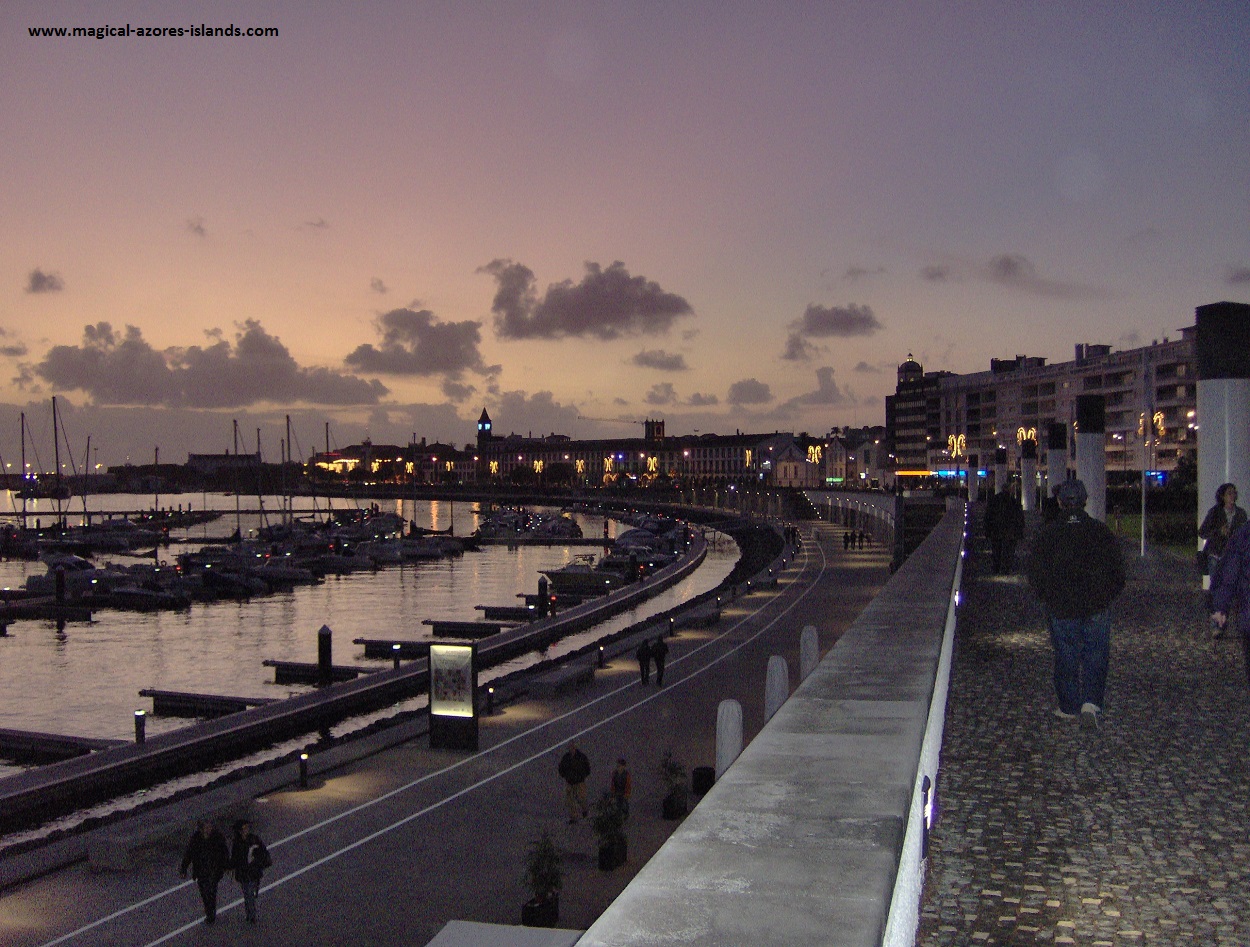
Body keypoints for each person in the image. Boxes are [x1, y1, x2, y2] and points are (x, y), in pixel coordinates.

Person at [1026, 479, 1126, 730]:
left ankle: (1069, 705)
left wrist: (1046, 596)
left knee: (1066, 654)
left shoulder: (1048, 534)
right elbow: (1118, 571)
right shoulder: (1100, 531)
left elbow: (1035, 572)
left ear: (1060, 503)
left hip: (1061, 605)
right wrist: (1107, 595)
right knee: (1096, 653)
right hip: (1096, 604)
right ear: (1085, 501)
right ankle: (1091, 702)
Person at [1200, 483, 1247, 626]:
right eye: (1229, 493)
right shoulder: (1215, 512)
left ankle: (1233, 620)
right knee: (1217, 590)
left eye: (1234, 493)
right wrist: (1218, 532)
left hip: (1233, 558)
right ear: (1222, 496)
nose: (1232, 496)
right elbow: (1202, 532)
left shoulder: (1240, 514)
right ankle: (1217, 624)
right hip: (1216, 555)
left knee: (1234, 590)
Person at [1211, 521, 1250, 684]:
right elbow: (1229, 575)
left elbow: (1229, 575)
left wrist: (1221, 607)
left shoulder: (1243, 535)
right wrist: (1221, 607)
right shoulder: (1244, 535)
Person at [180, 820, 230, 925]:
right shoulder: (196, 839)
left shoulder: (217, 838)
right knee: (204, 894)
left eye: (210, 827)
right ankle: (209, 911)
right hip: (201, 871)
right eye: (206, 827)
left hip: (214, 871)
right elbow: (189, 853)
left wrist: (226, 865)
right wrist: (184, 868)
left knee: (211, 892)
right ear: (201, 829)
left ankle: (211, 915)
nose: (209, 829)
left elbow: (224, 852)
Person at [231, 819, 270, 924]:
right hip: (243, 872)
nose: (246, 830)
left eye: (247, 827)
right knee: (247, 893)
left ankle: (251, 914)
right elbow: (234, 857)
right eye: (244, 828)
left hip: (253, 871)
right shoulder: (237, 842)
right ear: (240, 831)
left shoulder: (254, 839)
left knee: (250, 892)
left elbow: (263, 851)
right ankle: (250, 914)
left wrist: (260, 862)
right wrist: (231, 866)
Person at [985, 485, 1026, 574]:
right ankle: (1006, 569)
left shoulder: (994, 501)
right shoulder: (1014, 502)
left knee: (996, 550)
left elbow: (988, 516)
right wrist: (1019, 531)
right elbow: (1019, 518)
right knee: (1008, 551)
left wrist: (987, 530)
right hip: (1009, 531)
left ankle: (996, 568)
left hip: (996, 530)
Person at [558, 742, 591, 824]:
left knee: (581, 798)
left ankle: (585, 810)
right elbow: (561, 767)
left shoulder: (581, 757)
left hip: (579, 782)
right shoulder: (566, 757)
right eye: (570, 748)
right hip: (570, 782)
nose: (571, 749)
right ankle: (574, 817)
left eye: (572, 747)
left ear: (575, 748)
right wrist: (565, 776)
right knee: (570, 801)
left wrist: (581, 776)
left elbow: (587, 768)